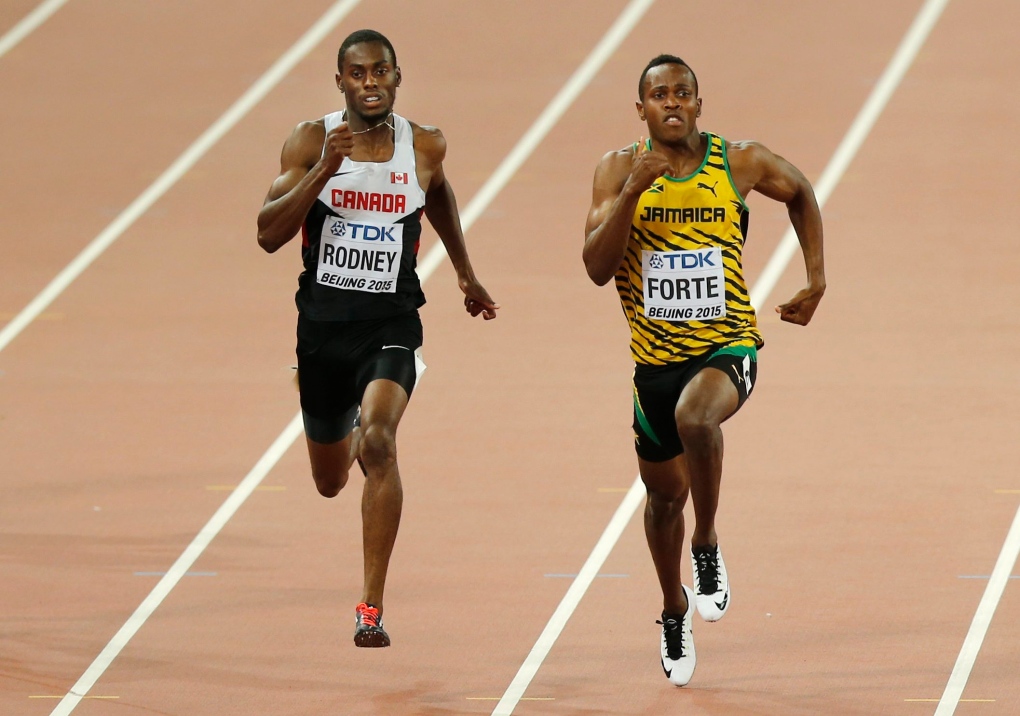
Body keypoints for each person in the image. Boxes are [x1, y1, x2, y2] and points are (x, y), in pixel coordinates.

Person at [582, 54, 825, 685]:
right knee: (664, 499)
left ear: (698, 102)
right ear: (640, 110)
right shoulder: (616, 171)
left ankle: (708, 542)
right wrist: (634, 190)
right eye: (658, 95)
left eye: (682, 93)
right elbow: (595, 267)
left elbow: (800, 191)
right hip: (653, 364)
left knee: (698, 417)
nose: (671, 103)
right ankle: (672, 608)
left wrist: (815, 280)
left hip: (727, 347)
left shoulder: (737, 161)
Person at [257, 29, 498, 648]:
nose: (370, 83)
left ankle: (371, 607)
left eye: (380, 72)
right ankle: (350, 427)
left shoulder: (425, 144)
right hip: (322, 333)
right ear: (340, 82)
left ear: (397, 76)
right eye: (357, 74)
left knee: (384, 444)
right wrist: (324, 171)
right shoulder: (311, 140)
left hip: (391, 324)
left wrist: (466, 275)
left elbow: (436, 191)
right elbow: (267, 232)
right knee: (331, 481)